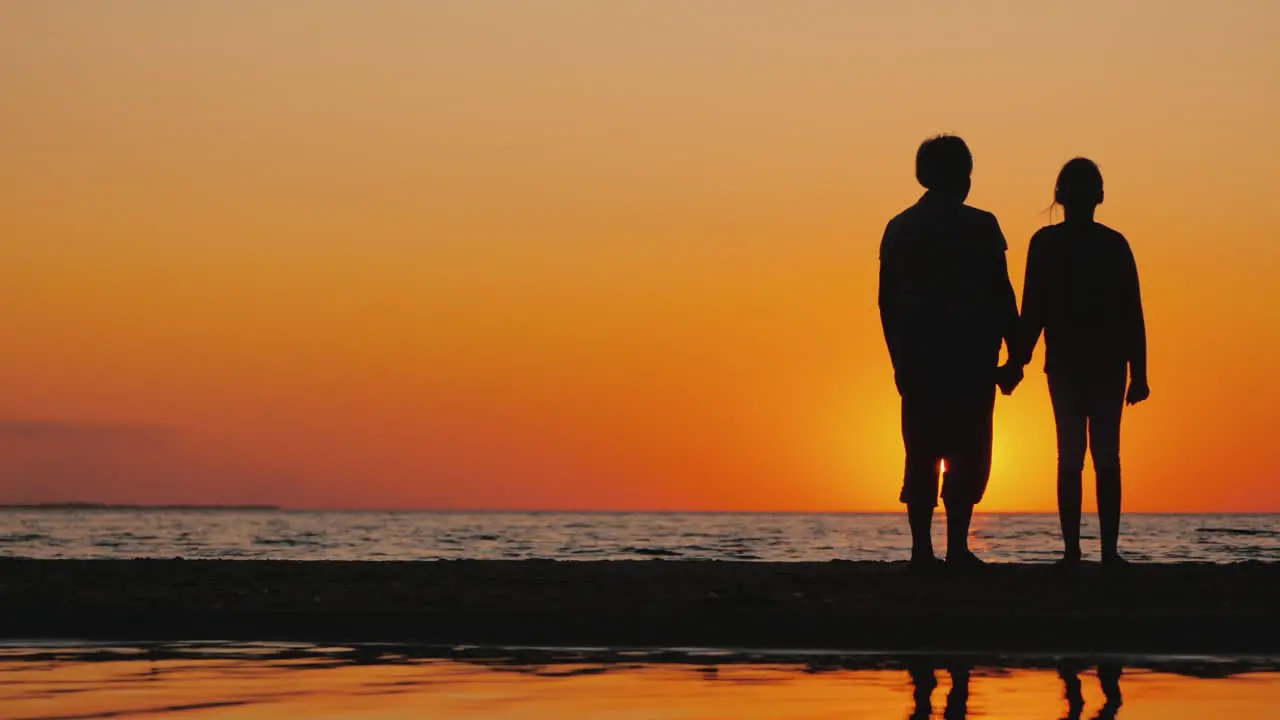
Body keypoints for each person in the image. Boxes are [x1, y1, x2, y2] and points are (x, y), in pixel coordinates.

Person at [878, 135, 1021, 571]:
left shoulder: (900, 227)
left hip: (920, 360)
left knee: (921, 452)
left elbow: (886, 302)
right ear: (962, 175)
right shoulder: (981, 225)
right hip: (970, 359)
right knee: (967, 454)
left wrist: (898, 360)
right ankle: (955, 548)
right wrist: (1016, 355)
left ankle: (922, 550)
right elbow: (1001, 292)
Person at [1010, 158, 1149, 568]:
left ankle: (1074, 552)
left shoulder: (1046, 243)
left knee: (1071, 455)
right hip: (1104, 364)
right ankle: (1105, 553)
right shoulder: (1113, 244)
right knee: (1105, 455)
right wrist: (1139, 372)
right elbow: (1132, 313)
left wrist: (1018, 360)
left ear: (1059, 196)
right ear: (1100, 196)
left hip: (1070, 365)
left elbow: (1032, 310)